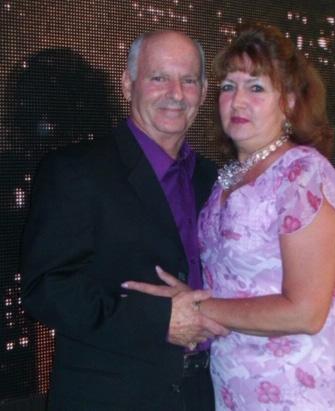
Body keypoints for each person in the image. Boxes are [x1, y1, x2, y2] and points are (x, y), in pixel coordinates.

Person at [124, 23, 335, 410]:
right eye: (229, 86)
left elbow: (306, 312)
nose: (238, 101)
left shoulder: (301, 173)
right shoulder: (222, 178)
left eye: (256, 87)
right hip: (233, 380)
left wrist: (193, 309)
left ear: (288, 101)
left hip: (294, 385)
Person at [21, 31, 229, 411]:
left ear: (202, 92)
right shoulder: (74, 171)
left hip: (206, 393)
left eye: (188, 80)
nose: (175, 93)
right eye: (158, 78)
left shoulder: (213, 179)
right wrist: (157, 320)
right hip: (111, 398)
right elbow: (46, 289)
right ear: (128, 84)